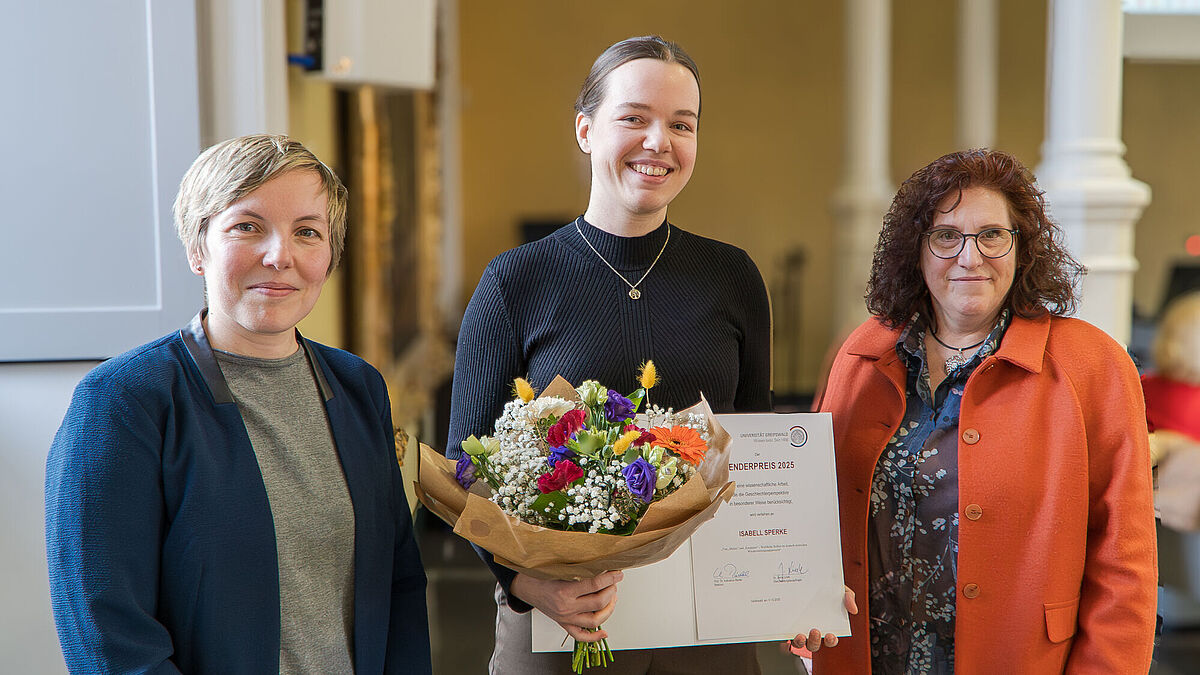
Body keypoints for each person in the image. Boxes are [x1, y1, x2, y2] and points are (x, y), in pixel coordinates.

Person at [448, 35, 844, 674]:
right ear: (586, 131)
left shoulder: (731, 277)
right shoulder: (515, 281)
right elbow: (463, 464)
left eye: (681, 125)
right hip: (565, 623)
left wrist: (795, 586)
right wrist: (526, 585)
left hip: (709, 628)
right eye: (634, 118)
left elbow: (755, 450)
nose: (660, 141)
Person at [45, 134, 431, 674]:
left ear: (330, 255)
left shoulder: (357, 386)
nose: (280, 256)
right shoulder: (124, 401)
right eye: (247, 226)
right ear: (197, 247)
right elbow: (108, 635)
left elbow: (399, 585)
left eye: (307, 232)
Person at [811, 148, 1158, 673]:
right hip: (871, 656)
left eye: (992, 235)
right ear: (917, 250)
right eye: (946, 236)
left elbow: (1124, 560)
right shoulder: (862, 351)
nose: (969, 257)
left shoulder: (1092, 366)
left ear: (1023, 248)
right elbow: (814, 510)